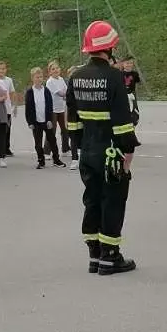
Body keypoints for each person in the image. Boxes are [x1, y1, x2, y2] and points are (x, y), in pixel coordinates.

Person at [66, 20, 139, 275]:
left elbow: (72, 121)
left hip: (87, 150)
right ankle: (111, 256)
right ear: (109, 48)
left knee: (92, 199)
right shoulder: (115, 77)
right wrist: (128, 152)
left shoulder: (76, 77)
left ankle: (94, 254)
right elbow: (122, 122)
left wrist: (80, 148)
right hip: (112, 151)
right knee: (114, 200)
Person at [25, 66, 64, 169]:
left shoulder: (46, 90)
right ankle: (41, 160)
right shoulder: (30, 92)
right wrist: (30, 122)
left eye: (41, 77)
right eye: (37, 77)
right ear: (32, 78)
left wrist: (50, 120)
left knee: (52, 140)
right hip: (36, 122)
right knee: (38, 143)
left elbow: (49, 106)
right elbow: (28, 108)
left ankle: (56, 159)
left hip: (46, 121)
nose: (39, 79)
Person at [47, 60, 75, 162]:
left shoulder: (61, 79)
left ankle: (65, 149)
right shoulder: (50, 82)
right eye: (53, 69)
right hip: (53, 110)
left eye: (57, 68)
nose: (55, 70)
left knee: (65, 129)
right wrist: (68, 94)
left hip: (62, 108)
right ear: (49, 72)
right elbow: (60, 93)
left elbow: (66, 90)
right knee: (52, 130)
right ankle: (46, 151)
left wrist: (68, 93)